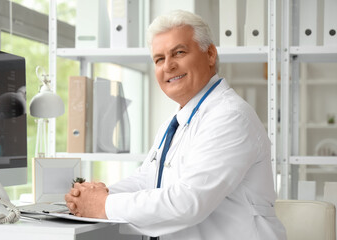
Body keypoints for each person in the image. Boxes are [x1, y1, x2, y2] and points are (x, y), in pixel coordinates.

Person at [65, 10, 287, 240]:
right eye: (159, 59)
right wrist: (94, 196)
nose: (168, 66)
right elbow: (147, 178)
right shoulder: (178, 120)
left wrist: (103, 205)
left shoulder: (230, 117)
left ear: (210, 54)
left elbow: (188, 202)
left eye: (179, 53)